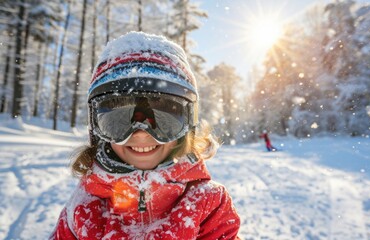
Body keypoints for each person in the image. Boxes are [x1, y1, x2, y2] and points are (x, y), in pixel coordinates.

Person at [50, 31, 241, 239]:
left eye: (161, 117)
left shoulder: (208, 203)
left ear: (187, 124)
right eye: (120, 118)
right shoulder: (84, 209)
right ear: (98, 129)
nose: (141, 134)